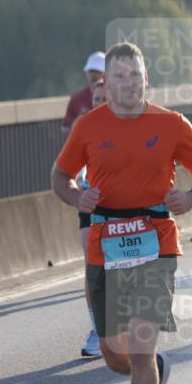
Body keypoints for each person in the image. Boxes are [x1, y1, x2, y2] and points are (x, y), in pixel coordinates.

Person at [52, 42, 192, 384]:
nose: (128, 83)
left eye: (135, 75)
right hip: (105, 244)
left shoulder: (170, 123)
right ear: (106, 84)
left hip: (156, 239)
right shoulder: (88, 125)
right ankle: (153, 371)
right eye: (119, 76)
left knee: (141, 349)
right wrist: (75, 195)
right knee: (115, 357)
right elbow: (60, 176)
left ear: (148, 80)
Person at [76, 79, 109, 358]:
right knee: (92, 264)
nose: (99, 103)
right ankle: (97, 328)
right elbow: (68, 168)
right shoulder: (84, 129)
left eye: (104, 98)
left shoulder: (130, 126)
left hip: (122, 204)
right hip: (90, 202)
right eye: (96, 99)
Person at [61, 51, 105, 135]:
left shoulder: (116, 98)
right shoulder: (76, 98)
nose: (93, 75)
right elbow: (64, 128)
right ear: (86, 73)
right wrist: (78, 124)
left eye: (98, 71)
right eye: (91, 71)